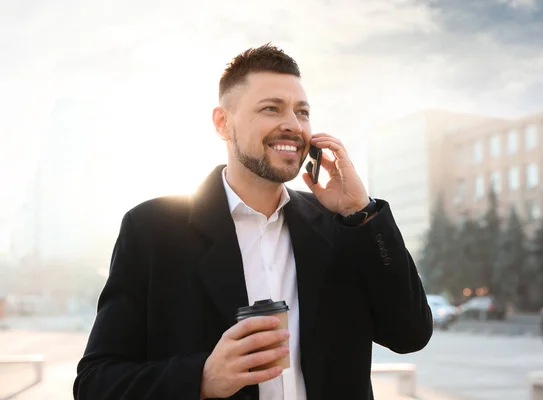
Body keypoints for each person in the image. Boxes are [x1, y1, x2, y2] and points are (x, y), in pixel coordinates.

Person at [73, 44, 433, 400]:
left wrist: (361, 212)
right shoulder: (152, 230)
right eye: (271, 108)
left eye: (302, 112)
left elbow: (411, 334)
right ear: (223, 122)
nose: (293, 125)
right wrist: (201, 379)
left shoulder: (342, 225)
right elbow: (95, 382)